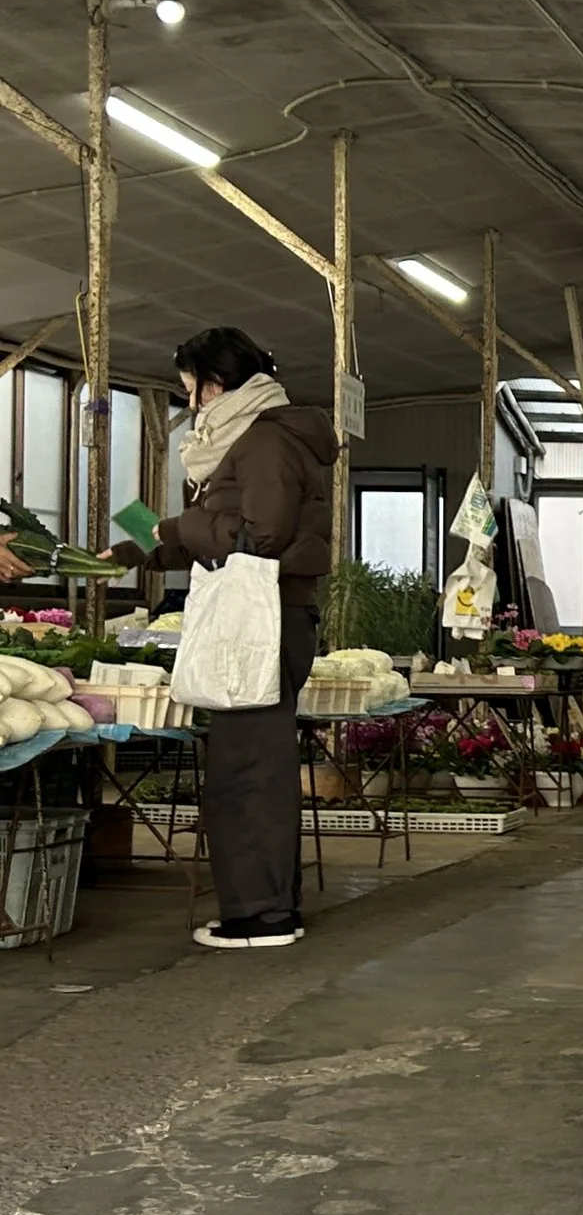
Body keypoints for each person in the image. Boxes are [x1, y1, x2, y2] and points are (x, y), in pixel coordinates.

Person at [117, 328, 335, 950]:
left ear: (215, 382)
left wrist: (178, 525)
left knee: (248, 771)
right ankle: (269, 905)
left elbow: (259, 537)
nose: (188, 398)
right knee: (253, 764)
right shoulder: (254, 435)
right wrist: (138, 550)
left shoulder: (265, 438)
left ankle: (262, 915)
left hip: (263, 618)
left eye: (189, 384)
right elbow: (228, 530)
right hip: (266, 614)